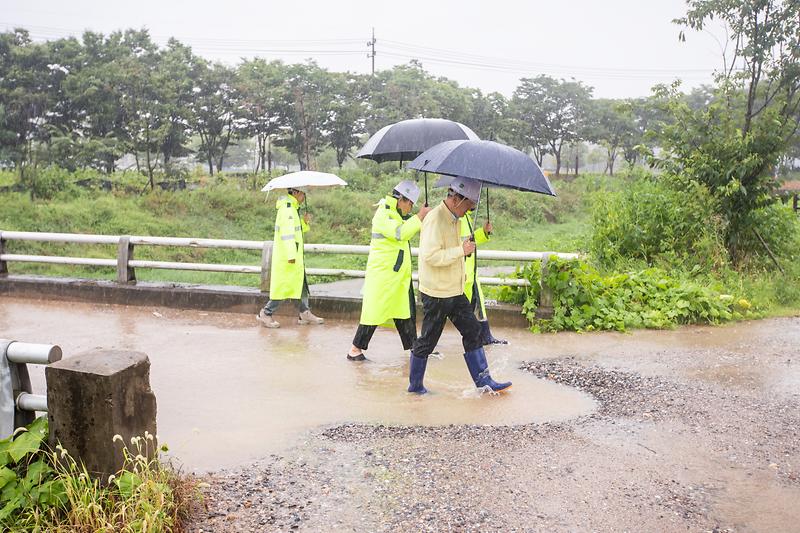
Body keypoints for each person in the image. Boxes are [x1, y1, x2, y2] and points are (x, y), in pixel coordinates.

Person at [408, 176, 512, 394]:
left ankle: (485, 383)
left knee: (473, 331)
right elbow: (430, 257)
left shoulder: (455, 218)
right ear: (457, 199)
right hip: (437, 293)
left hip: (454, 291)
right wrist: (460, 251)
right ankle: (415, 386)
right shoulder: (435, 219)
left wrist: (471, 243)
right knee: (428, 341)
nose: (469, 211)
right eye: (469, 206)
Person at [347, 180, 430, 361]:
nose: (410, 208)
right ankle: (355, 349)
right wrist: (419, 217)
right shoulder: (384, 213)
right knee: (374, 313)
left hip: (396, 275)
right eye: (410, 204)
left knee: (404, 311)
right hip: (384, 276)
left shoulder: (394, 213)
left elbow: (407, 225)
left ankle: (415, 349)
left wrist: (420, 216)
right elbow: (401, 233)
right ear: (401, 199)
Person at [256, 187, 324, 328]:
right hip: (288, 257)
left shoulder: (293, 208)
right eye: (303, 193)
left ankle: (304, 313)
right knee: (284, 286)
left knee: (300, 285)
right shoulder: (287, 209)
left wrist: (304, 222)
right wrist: (291, 255)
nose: (304, 196)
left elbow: (297, 230)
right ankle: (266, 313)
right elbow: (287, 235)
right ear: (295, 192)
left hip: (295, 255)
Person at [461, 210, 508, 345]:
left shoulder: (465, 217)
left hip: (470, 275)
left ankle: (485, 338)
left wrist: (483, 232)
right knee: (443, 313)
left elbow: (469, 240)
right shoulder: (457, 218)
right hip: (462, 275)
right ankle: (426, 344)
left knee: (478, 306)